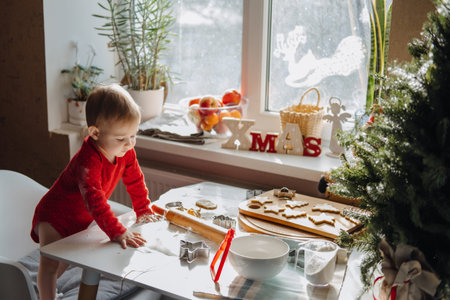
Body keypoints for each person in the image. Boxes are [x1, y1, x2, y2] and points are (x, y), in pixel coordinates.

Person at [30, 83, 160, 300]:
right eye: (121, 138)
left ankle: (48, 290)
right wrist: (117, 231)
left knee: (63, 262)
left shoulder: (125, 152)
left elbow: (135, 180)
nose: (129, 143)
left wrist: (143, 209)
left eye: (133, 135)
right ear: (95, 133)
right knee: (51, 264)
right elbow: (95, 201)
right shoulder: (87, 161)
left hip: (79, 219)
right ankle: (45, 296)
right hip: (54, 217)